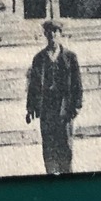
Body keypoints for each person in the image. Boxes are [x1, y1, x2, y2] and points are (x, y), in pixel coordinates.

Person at [26, 19, 83, 175]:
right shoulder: (39, 58)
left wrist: (76, 105)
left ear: (60, 35)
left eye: (55, 33)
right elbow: (33, 85)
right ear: (45, 35)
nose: (52, 36)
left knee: (65, 144)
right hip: (47, 108)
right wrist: (30, 107)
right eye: (49, 33)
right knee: (49, 145)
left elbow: (77, 84)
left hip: (65, 108)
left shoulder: (70, 57)